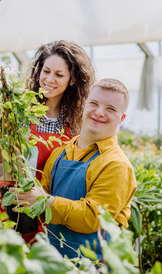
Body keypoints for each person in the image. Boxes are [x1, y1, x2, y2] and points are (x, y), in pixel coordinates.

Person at [0, 40, 96, 243]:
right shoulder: (20, 110)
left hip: (44, 214)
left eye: (59, 75)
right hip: (8, 207)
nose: (49, 79)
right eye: (46, 71)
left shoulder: (75, 125)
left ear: (72, 80)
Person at [12, 78, 137, 259]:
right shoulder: (60, 153)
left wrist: (44, 201)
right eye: (94, 103)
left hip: (95, 265)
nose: (99, 112)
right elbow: (39, 204)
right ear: (85, 105)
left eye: (110, 109)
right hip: (54, 260)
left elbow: (93, 217)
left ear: (121, 118)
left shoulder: (117, 165)